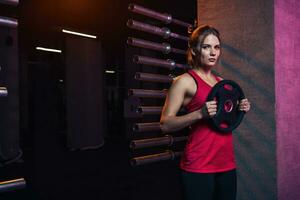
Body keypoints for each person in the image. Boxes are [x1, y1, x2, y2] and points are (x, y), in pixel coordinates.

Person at [160, 25, 251, 200]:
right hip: (199, 164)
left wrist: (239, 109)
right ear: (194, 50)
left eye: (216, 47)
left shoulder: (222, 82)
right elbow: (165, 124)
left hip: (226, 163)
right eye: (206, 47)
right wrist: (199, 114)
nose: (213, 53)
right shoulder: (184, 81)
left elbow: (224, 121)